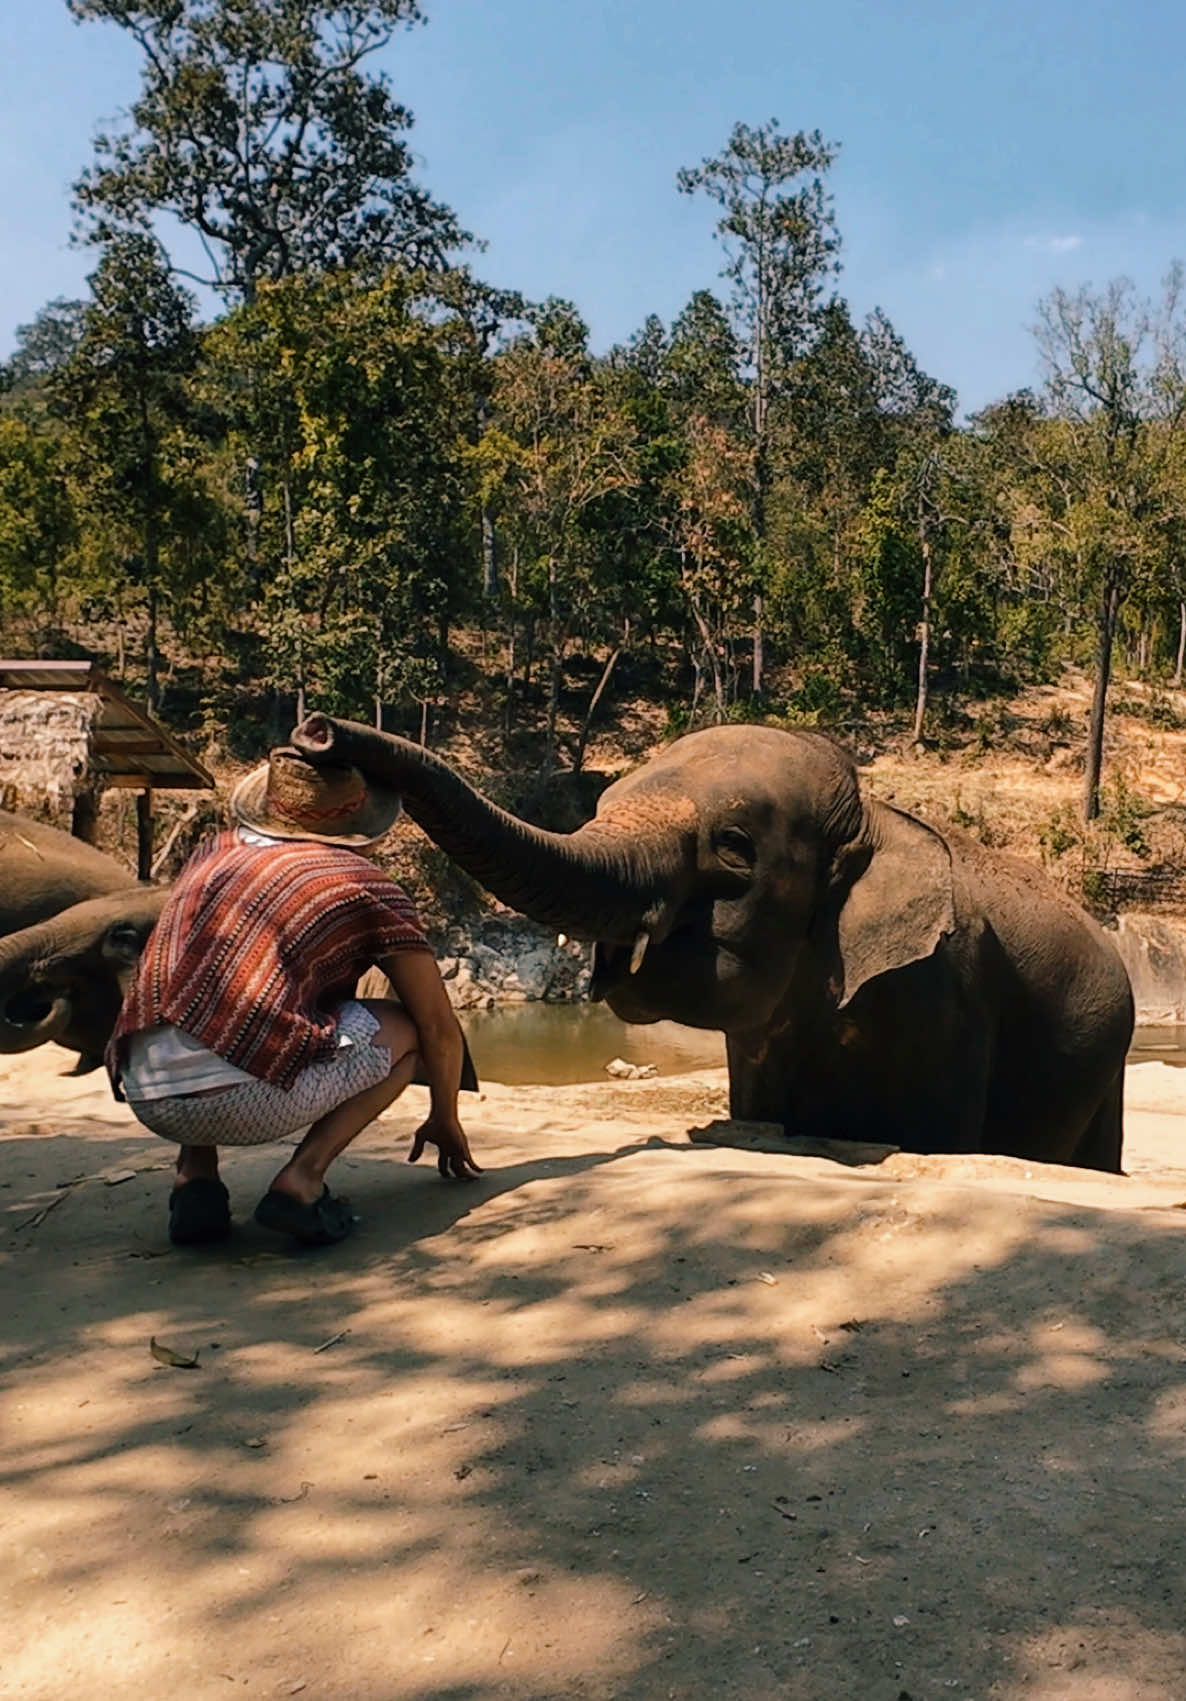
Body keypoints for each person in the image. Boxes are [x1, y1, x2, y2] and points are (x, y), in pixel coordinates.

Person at [106, 745, 481, 1248]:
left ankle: (195, 1177)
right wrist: (444, 1116)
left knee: (205, 996)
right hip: (242, 1104)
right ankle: (302, 1180)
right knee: (407, 1028)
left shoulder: (212, 851)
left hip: (146, 1091)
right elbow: (438, 1025)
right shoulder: (364, 883)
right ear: (359, 816)